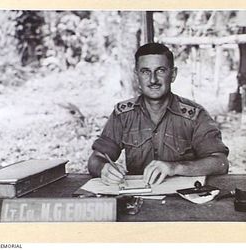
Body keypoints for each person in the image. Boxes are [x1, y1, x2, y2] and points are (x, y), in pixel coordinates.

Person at [88, 43, 229, 185]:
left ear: (173, 74)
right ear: (137, 76)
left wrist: (175, 167)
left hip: (183, 200)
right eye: (145, 72)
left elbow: (220, 162)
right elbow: (97, 157)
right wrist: (103, 168)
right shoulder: (123, 114)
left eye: (160, 70)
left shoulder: (194, 115)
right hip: (137, 198)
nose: (153, 79)